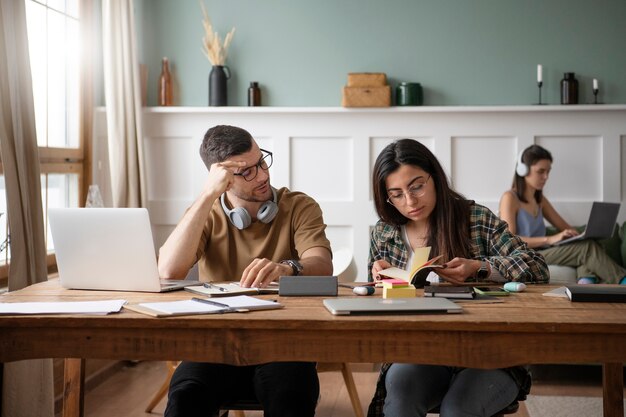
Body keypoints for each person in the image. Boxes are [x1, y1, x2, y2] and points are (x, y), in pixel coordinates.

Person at [158, 125, 333, 417]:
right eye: (247, 172)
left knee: (292, 396)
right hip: (215, 345)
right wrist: (206, 196)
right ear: (222, 179)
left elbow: (323, 266)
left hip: (283, 344)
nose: (263, 175)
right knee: (184, 400)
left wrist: (287, 268)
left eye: (261, 162)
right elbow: (167, 270)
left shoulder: (300, 206)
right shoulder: (206, 212)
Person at [367, 138, 548, 417]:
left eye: (417, 186)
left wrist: (480, 266)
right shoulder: (385, 232)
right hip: (420, 352)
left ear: (435, 178)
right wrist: (379, 276)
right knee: (400, 397)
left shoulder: (474, 218)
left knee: (458, 409)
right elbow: (377, 304)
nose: (410, 201)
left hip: (490, 354)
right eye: (397, 194)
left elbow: (537, 266)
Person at [499, 144, 626, 285]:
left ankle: (586, 281)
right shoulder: (509, 198)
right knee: (586, 249)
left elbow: (565, 227)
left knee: (587, 243)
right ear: (523, 170)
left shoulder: (540, 200)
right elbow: (509, 241)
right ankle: (622, 280)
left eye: (548, 171)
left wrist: (585, 234)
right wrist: (550, 239)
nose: (546, 177)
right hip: (523, 256)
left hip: (542, 251)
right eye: (541, 171)